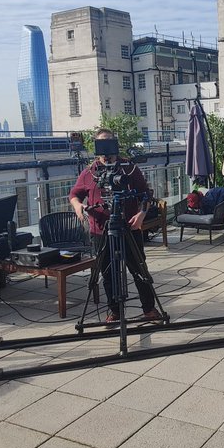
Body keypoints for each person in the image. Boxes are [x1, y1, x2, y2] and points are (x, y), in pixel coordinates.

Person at [69, 128, 160, 323]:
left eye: (110, 142)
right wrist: (78, 206)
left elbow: (145, 194)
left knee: (138, 269)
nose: (107, 148)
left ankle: (149, 309)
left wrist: (141, 214)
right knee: (107, 273)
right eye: (102, 143)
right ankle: (115, 311)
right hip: (100, 230)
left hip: (128, 227)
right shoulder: (89, 172)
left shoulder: (129, 168)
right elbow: (74, 194)